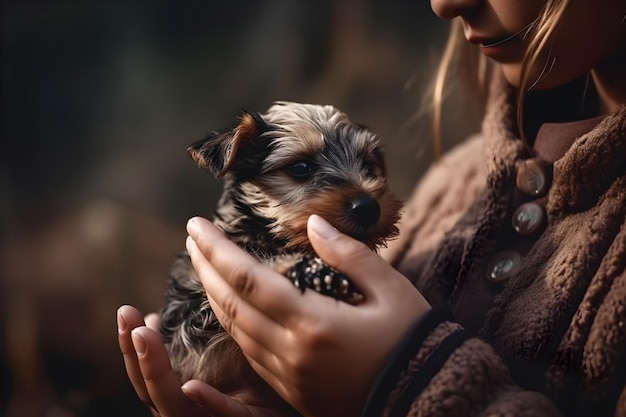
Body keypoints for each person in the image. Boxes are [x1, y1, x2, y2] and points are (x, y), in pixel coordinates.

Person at [117, 0, 626, 416]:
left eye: (369, 164)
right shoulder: (449, 187)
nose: (445, 4)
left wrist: (407, 379)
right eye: (300, 170)